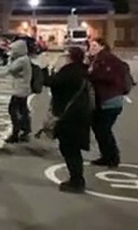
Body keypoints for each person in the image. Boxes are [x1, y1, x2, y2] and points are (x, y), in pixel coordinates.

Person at [44, 47, 92, 193]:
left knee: (70, 149)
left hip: (69, 117)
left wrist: (45, 68)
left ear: (70, 58)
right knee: (72, 148)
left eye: (64, 55)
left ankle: (77, 181)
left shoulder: (69, 72)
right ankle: (76, 178)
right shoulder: (81, 70)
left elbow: (51, 82)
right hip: (78, 115)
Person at [88, 38, 126, 168]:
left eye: (94, 46)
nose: (91, 48)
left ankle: (112, 157)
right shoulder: (97, 59)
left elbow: (109, 77)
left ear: (102, 47)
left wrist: (91, 75)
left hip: (109, 100)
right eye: (90, 45)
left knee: (103, 129)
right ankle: (107, 156)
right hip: (104, 100)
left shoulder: (107, 60)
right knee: (100, 129)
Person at [5, 39, 33, 143]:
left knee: (13, 110)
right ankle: (25, 131)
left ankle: (16, 132)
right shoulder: (25, 59)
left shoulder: (21, 60)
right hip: (23, 89)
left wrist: (10, 58)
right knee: (23, 110)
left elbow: (10, 69)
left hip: (19, 90)